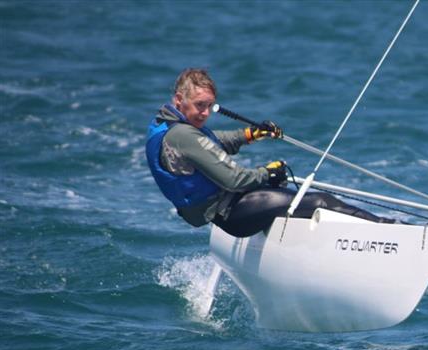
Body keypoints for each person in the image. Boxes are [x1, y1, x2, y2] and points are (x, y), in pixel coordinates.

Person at [146, 68, 391, 237]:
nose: (205, 113)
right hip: (231, 213)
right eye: (200, 105)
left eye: (210, 106)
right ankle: (388, 230)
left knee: (297, 200)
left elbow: (214, 141)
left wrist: (252, 134)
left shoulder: (167, 127)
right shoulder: (184, 135)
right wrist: (267, 173)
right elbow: (234, 179)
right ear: (179, 99)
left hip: (225, 210)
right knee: (320, 201)